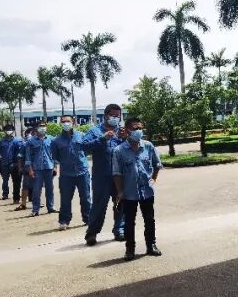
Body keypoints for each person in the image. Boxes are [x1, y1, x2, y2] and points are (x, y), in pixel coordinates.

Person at [112, 116, 163, 261]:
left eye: (140, 128)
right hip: (129, 193)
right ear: (127, 130)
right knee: (129, 222)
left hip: (147, 191)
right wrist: (120, 192)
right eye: (136, 128)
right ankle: (130, 249)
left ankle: (151, 245)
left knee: (149, 219)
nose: (139, 131)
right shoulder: (119, 150)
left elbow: (157, 164)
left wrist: (154, 178)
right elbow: (117, 173)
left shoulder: (148, 146)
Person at [82, 104, 126, 245]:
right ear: (106, 115)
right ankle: (92, 233)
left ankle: (119, 230)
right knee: (99, 205)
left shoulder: (122, 131)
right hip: (102, 175)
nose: (116, 118)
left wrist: (125, 138)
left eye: (118, 116)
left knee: (121, 202)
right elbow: (84, 146)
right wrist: (102, 139)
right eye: (113, 115)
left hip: (120, 175)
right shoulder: (95, 131)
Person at [51, 114, 92, 230]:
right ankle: (64, 221)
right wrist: (56, 167)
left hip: (82, 172)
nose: (66, 123)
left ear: (73, 123)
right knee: (65, 199)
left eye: (68, 121)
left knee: (86, 197)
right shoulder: (56, 141)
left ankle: (88, 219)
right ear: (61, 124)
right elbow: (55, 157)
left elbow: (87, 150)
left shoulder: (82, 136)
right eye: (63, 122)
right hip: (66, 174)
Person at [24, 122, 56, 216]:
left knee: (50, 188)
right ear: (36, 128)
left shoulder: (51, 139)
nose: (42, 128)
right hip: (37, 168)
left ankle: (51, 207)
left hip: (49, 167)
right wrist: (30, 169)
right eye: (40, 126)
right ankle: (35, 209)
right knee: (36, 190)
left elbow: (54, 154)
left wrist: (55, 166)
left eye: (44, 126)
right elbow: (28, 156)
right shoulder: (30, 141)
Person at [0, 123, 21, 201]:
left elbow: (19, 151)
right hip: (4, 163)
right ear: (4, 131)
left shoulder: (16, 141)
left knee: (15, 179)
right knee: (5, 179)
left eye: (10, 129)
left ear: (13, 131)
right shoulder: (1, 141)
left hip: (13, 163)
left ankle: (15, 193)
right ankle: (5, 194)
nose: (9, 131)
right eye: (7, 129)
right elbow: (0, 150)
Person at [15, 125, 32, 210]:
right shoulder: (24, 144)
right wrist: (20, 168)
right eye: (28, 133)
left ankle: (36, 202)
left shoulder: (39, 142)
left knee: (38, 186)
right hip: (27, 168)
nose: (29, 135)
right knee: (25, 186)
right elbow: (19, 157)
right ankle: (23, 203)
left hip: (37, 168)